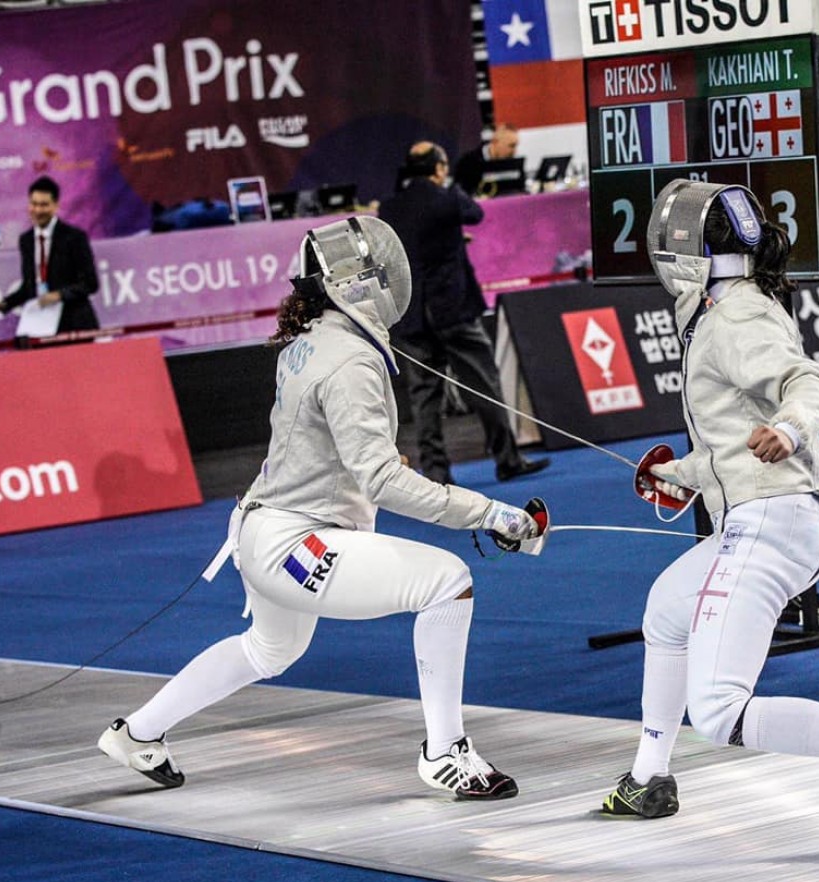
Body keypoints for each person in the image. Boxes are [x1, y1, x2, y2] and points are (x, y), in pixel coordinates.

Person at [97, 216, 541, 800]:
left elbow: (324, 447)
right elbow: (381, 481)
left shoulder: (311, 341)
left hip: (261, 526)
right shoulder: (352, 359)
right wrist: (487, 513)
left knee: (270, 648)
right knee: (447, 582)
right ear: (352, 285)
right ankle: (444, 752)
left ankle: (138, 733)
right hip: (296, 543)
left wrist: (370, 466)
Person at [601, 179, 819, 850]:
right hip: (763, 514)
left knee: (719, 711)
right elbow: (731, 445)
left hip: (774, 519)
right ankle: (648, 778)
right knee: (666, 611)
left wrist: (790, 428)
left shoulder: (737, 317)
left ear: (691, 252)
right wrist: (678, 475)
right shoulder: (719, 309)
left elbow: (810, 384)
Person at [379, 141, 549, 485]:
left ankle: (436, 472)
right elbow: (475, 213)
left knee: (424, 398)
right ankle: (507, 458)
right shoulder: (447, 199)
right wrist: (452, 196)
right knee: (484, 385)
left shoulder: (391, 207)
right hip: (453, 310)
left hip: (413, 316)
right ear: (439, 169)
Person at [0, 176, 99, 334]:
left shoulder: (74, 237)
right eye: (34, 204)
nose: (37, 210)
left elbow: (90, 283)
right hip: (43, 325)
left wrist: (58, 295)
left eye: (44, 205)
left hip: (75, 323)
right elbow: (29, 287)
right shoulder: (26, 240)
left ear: (56, 205)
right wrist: (4, 304)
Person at [453, 124, 520, 196]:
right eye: (511, 146)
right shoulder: (467, 163)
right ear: (495, 142)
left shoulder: (513, 163)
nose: (514, 151)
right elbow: (459, 194)